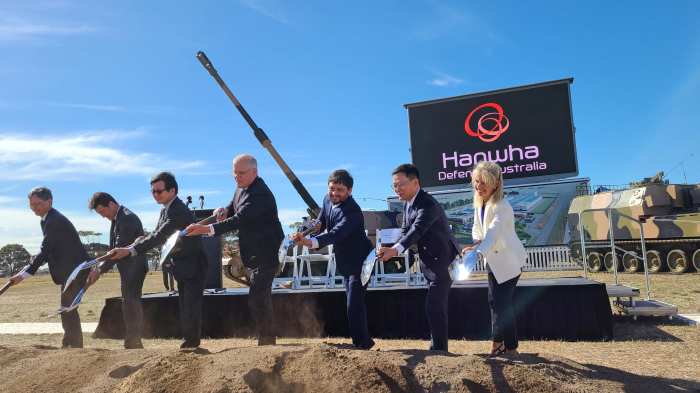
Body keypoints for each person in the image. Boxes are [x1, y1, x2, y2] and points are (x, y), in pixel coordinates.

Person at [185, 154, 284, 346]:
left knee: (258, 298)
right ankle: (266, 337)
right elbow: (233, 209)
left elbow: (240, 219)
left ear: (254, 172)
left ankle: (267, 342)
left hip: (267, 252)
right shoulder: (241, 189)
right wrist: (222, 212)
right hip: (253, 252)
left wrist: (206, 229)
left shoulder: (260, 193)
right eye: (234, 173)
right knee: (258, 298)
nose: (236, 177)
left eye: (241, 173)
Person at [111, 172, 210, 349]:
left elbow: (159, 236)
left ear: (172, 190)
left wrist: (130, 250)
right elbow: (156, 234)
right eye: (153, 191)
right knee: (184, 304)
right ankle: (188, 340)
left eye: (159, 191)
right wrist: (139, 242)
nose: (156, 194)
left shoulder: (178, 210)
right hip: (181, 263)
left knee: (191, 305)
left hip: (194, 263)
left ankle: (191, 342)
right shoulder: (166, 208)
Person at [378, 164, 460, 352]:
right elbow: (406, 231)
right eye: (394, 186)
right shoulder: (408, 203)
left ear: (415, 182)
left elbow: (417, 230)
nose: (397, 189)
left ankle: (439, 351)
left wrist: (396, 250)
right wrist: (391, 249)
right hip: (429, 261)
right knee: (435, 308)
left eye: (400, 185)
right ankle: (438, 348)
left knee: (434, 307)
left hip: (444, 261)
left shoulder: (427, 204)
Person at [291, 170, 375, 349]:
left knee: (354, 305)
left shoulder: (352, 210)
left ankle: (361, 346)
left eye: (340, 190)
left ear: (349, 191)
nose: (335, 193)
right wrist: (311, 230)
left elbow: (336, 234)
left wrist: (309, 241)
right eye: (332, 189)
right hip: (344, 261)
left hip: (360, 261)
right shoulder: (327, 200)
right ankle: (365, 340)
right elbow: (320, 224)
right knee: (353, 303)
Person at [9, 186, 90, 348]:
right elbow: (52, 247)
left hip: (76, 270)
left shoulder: (54, 220)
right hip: (69, 270)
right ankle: (72, 344)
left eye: (37, 204)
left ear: (49, 201)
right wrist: (41, 258)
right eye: (31, 205)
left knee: (68, 307)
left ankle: (72, 346)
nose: (34, 208)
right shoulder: (46, 219)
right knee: (67, 307)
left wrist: (23, 275)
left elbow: (45, 249)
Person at [462, 161, 527, 356]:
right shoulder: (479, 203)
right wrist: (476, 242)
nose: (478, 187)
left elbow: (493, 234)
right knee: (494, 303)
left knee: (501, 303)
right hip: (492, 261)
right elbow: (477, 228)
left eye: (484, 183)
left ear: (496, 184)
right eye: (476, 181)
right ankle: (497, 345)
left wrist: (478, 253)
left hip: (509, 262)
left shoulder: (503, 206)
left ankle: (512, 348)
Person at [87, 192, 149, 349]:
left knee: (131, 304)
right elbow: (113, 249)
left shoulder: (127, 218)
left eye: (102, 211)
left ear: (111, 204)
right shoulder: (118, 217)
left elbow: (117, 250)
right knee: (129, 303)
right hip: (127, 268)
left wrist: (100, 270)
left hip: (134, 269)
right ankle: (133, 340)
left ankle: (133, 341)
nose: (102, 216)